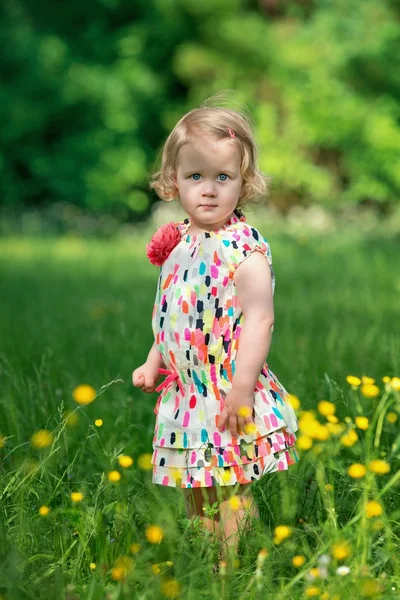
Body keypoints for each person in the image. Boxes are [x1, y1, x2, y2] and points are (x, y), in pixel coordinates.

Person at [132, 98, 299, 567]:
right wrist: (154, 360)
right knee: (195, 485)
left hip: (227, 387)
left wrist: (242, 390)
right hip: (188, 393)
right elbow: (175, 315)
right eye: (195, 177)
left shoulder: (242, 249)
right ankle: (205, 562)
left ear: (244, 183)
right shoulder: (180, 242)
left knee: (229, 486)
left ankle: (231, 567)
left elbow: (259, 318)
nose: (208, 190)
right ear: (174, 181)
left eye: (223, 177)